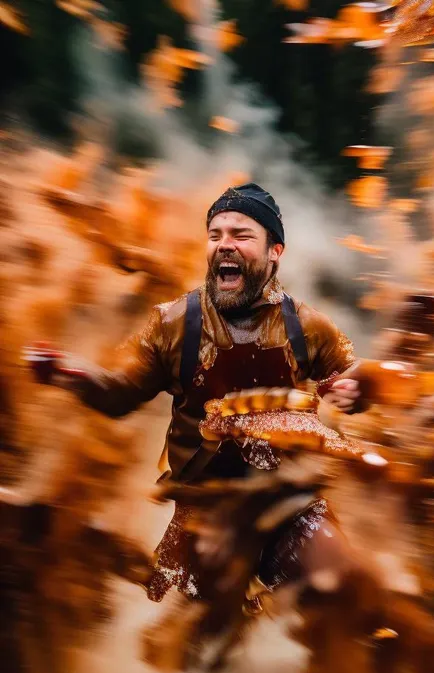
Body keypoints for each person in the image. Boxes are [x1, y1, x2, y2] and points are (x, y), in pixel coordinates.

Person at [27, 183, 362, 609]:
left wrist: (355, 389)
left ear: (275, 251)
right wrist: (66, 372)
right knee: (204, 653)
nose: (225, 245)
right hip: (203, 516)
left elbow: (353, 375)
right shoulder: (171, 324)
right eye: (216, 234)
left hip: (291, 506)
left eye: (241, 236)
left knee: (344, 586)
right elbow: (119, 394)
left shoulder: (308, 327)